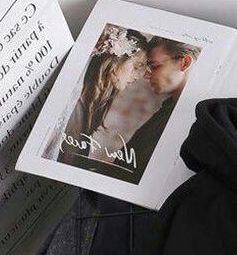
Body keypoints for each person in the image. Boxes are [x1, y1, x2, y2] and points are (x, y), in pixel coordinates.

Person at [53, 25, 148, 167]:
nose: (137, 76)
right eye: (136, 67)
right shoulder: (74, 104)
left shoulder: (93, 104)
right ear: (116, 59)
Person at [115, 38, 200, 185]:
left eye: (154, 67)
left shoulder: (198, 119)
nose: (146, 75)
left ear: (185, 63)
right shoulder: (167, 110)